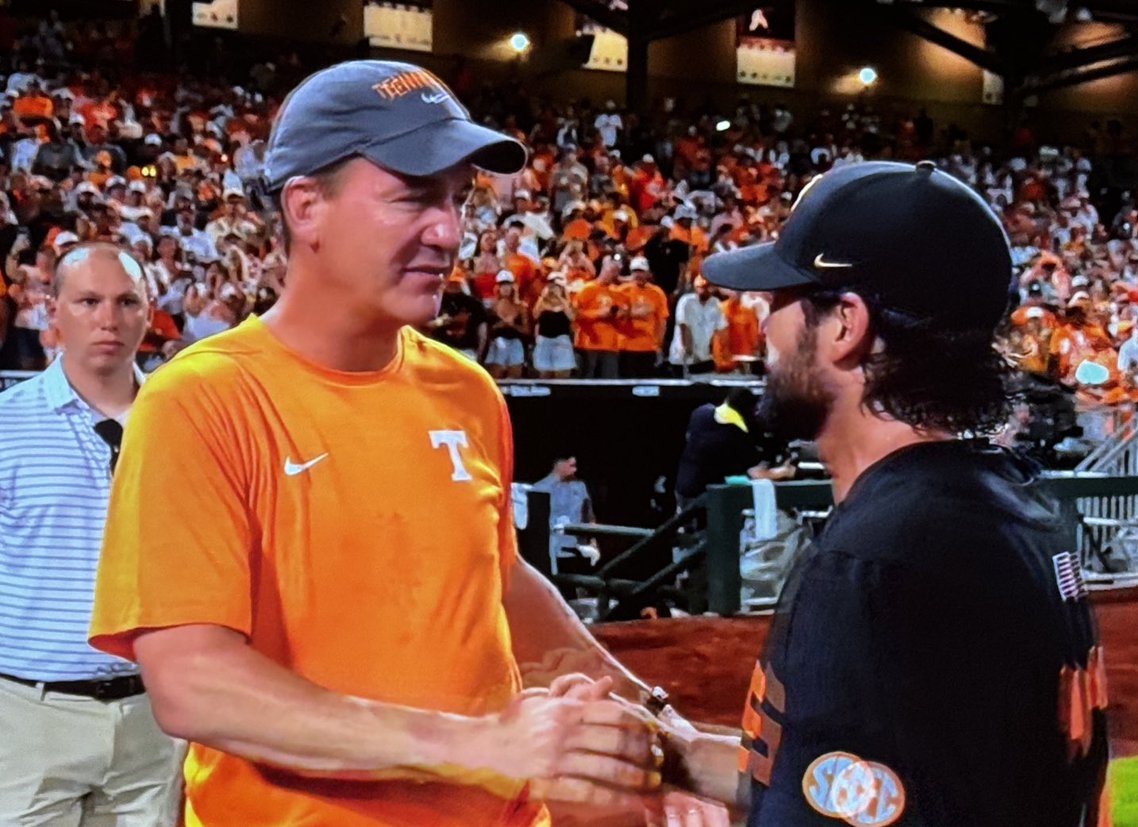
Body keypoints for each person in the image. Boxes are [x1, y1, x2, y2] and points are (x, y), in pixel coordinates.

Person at [87, 60, 699, 827]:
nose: (448, 231)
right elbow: (194, 682)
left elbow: (499, 582)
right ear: (307, 207)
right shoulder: (203, 399)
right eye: (414, 196)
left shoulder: (467, 389)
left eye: (457, 198)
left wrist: (652, 726)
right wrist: (483, 744)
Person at [661, 161, 1110, 826]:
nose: (763, 326)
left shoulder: (879, 566)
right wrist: (679, 752)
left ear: (845, 323)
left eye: (781, 298)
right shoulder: (999, 511)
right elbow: (905, 786)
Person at [0, 243, 184, 823]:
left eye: (126, 301)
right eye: (88, 301)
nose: (108, 318)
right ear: (53, 311)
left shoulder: (186, 423)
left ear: (149, 312)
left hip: (153, 717)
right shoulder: (8, 425)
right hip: (30, 714)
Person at [674, 387, 793, 512]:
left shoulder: (701, 413)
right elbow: (756, 474)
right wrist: (784, 471)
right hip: (707, 498)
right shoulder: (736, 438)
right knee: (743, 481)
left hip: (682, 489)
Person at [532, 456, 599, 573]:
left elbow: (588, 514)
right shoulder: (543, 487)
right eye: (570, 466)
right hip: (553, 546)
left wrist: (593, 541)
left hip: (576, 545)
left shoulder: (580, 486)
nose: (574, 470)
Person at [618, 255, 669, 378]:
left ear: (648, 273)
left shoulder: (657, 293)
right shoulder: (622, 291)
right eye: (635, 271)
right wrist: (639, 313)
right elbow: (617, 314)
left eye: (641, 271)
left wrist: (658, 346)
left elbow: (662, 322)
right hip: (625, 347)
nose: (638, 275)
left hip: (648, 347)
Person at [484, 269, 529, 378]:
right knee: (495, 375)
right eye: (502, 285)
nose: (505, 288)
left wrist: (513, 326)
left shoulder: (521, 307)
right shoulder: (491, 307)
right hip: (497, 343)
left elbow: (527, 330)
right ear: (498, 287)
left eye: (508, 285)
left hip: (515, 343)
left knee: (515, 375)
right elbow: (486, 331)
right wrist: (500, 325)